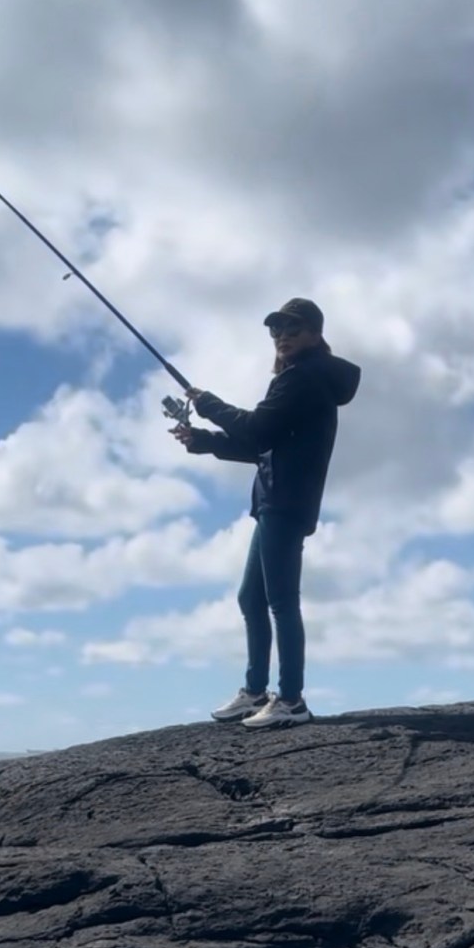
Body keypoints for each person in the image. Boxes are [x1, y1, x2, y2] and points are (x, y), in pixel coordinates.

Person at [171, 298, 361, 729]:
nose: (282, 336)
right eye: (276, 330)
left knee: (280, 601)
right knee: (250, 598)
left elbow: (256, 428)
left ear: (315, 334)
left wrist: (208, 403)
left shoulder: (304, 377)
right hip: (276, 499)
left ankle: (291, 699)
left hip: (286, 502)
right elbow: (263, 446)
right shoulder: (301, 379)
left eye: (293, 328)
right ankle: (255, 691)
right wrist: (204, 441)